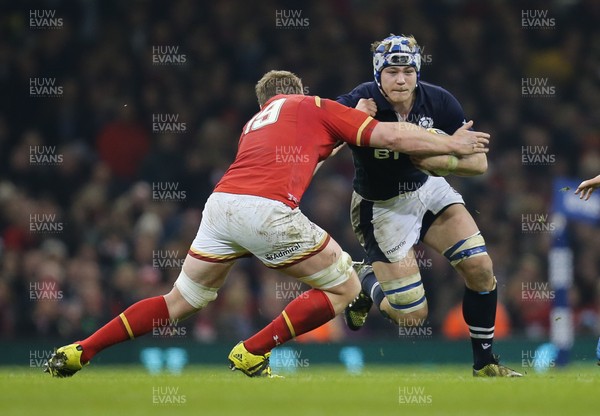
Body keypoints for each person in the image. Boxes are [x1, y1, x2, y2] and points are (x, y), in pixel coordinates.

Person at [43, 70, 489, 378]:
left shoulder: (254, 124)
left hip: (220, 207)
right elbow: (390, 136)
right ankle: (253, 351)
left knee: (179, 301)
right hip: (266, 210)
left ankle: (82, 350)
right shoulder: (313, 104)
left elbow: (315, 154)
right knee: (345, 290)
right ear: (297, 90)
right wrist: (447, 140)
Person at [336, 34, 522, 377]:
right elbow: (322, 129)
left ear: (418, 71)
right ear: (378, 74)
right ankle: (365, 281)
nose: (401, 79)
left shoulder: (439, 101)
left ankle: (484, 363)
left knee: (480, 266)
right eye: (392, 71)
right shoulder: (359, 100)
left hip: (428, 189)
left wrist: (440, 164)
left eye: (408, 70)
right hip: (381, 207)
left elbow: (479, 164)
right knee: (412, 316)